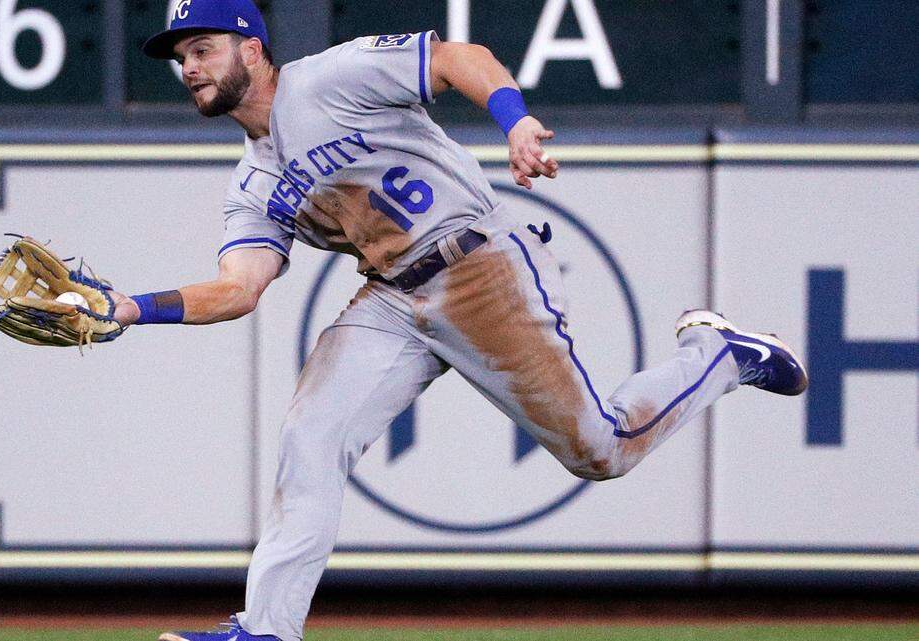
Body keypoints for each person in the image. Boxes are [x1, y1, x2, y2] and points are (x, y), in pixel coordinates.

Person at [113, 2, 808, 639]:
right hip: (388, 298)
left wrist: (517, 121)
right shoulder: (252, 185)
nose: (190, 68)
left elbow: (456, 58)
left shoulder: (328, 79)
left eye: (203, 49)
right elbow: (238, 289)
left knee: (601, 449)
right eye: (182, 58)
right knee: (311, 438)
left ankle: (718, 354)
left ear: (253, 50)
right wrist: (129, 309)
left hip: (478, 265)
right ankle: (265, 629)